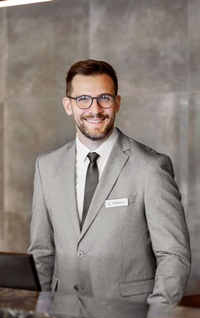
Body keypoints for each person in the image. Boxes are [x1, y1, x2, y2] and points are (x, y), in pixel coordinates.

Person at [28, 59, 191, 305]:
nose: (95, 109)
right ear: (68, 105)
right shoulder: (46, 166)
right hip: (64, 317)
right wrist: (39, 317)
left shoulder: (150, 167)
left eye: (104, 98)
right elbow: (41, 253)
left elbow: (174, 256)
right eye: (83, 99)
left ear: (117, 103)